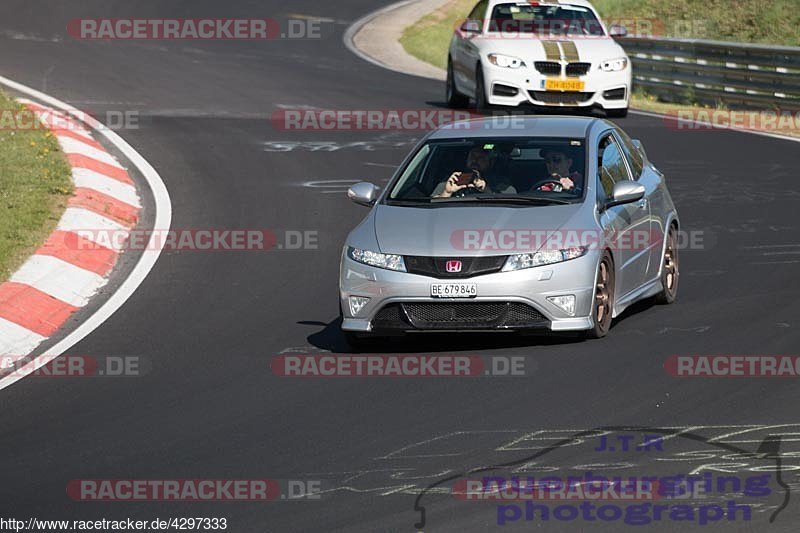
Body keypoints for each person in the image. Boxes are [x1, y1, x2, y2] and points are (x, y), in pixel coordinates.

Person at [432, 146, 514, 198]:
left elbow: (509, 206)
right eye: (472, 156)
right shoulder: (452, 181)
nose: (475, 160)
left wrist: (486, 190)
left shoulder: (501, 184)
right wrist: (447, 192)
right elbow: (432, 207)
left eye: (480, 157)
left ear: (490, 162)